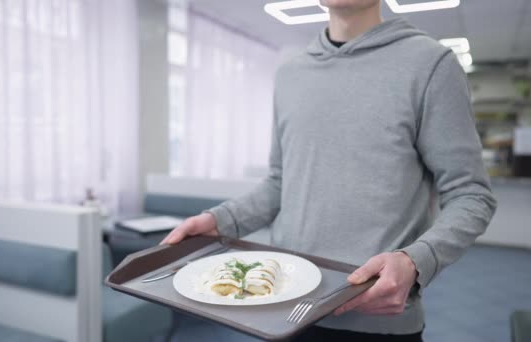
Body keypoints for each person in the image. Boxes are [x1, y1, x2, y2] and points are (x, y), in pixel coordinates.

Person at [161, 0, 497, 340]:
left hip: (375, 318)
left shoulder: (430, 64)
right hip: (285, 310)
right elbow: (280, 183)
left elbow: (471, 196)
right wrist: (220, 220)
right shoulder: (291, 74)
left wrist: (416, 261)